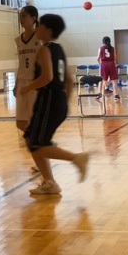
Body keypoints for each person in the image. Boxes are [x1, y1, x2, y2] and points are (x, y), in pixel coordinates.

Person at [20, 14, 89, 195]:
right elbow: (69, 80)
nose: (37, 28)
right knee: (31, 139)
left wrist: (28, 87)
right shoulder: (59, 49)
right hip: (58, 100)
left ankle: (76, 158)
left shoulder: (44, 50)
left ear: (48, 30)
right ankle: (50, 183)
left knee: (36, 144)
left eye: (40, 25)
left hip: (48, 99)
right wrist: (64, 102)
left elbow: (48, 77)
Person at [14, 6, 40, 133]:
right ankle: (34, 138)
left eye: (24, 16)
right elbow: (21, 64)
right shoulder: (18, 40)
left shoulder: (40, 37)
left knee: (35, 118)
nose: (21, 18)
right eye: (20, 16)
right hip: (22, 82)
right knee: (20, 122)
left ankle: (37, 140)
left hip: (35, 82)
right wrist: (16, 84)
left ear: (33, 18)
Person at [96, 36, 120, 101]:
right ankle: (116, 95)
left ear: (103, 42)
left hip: (104, 64)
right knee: (114, 80)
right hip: (111, 63)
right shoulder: (113, 48)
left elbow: (98, 58)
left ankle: (99, 93)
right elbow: (115, 58)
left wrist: (100, 64)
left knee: (101, 79)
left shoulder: (101, 48)